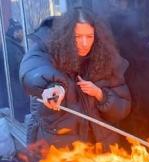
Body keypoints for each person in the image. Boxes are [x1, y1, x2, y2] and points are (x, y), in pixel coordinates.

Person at [19, 8, 131, 149]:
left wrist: (100, 95)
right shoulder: (49, 50)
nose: (84, 43)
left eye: (89, 36)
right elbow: (33, 68)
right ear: (66, 35)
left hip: (100, 153)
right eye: (77, 37)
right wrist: (53, 86)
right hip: (59, 152)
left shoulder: (106, 60)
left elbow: (122, 108)